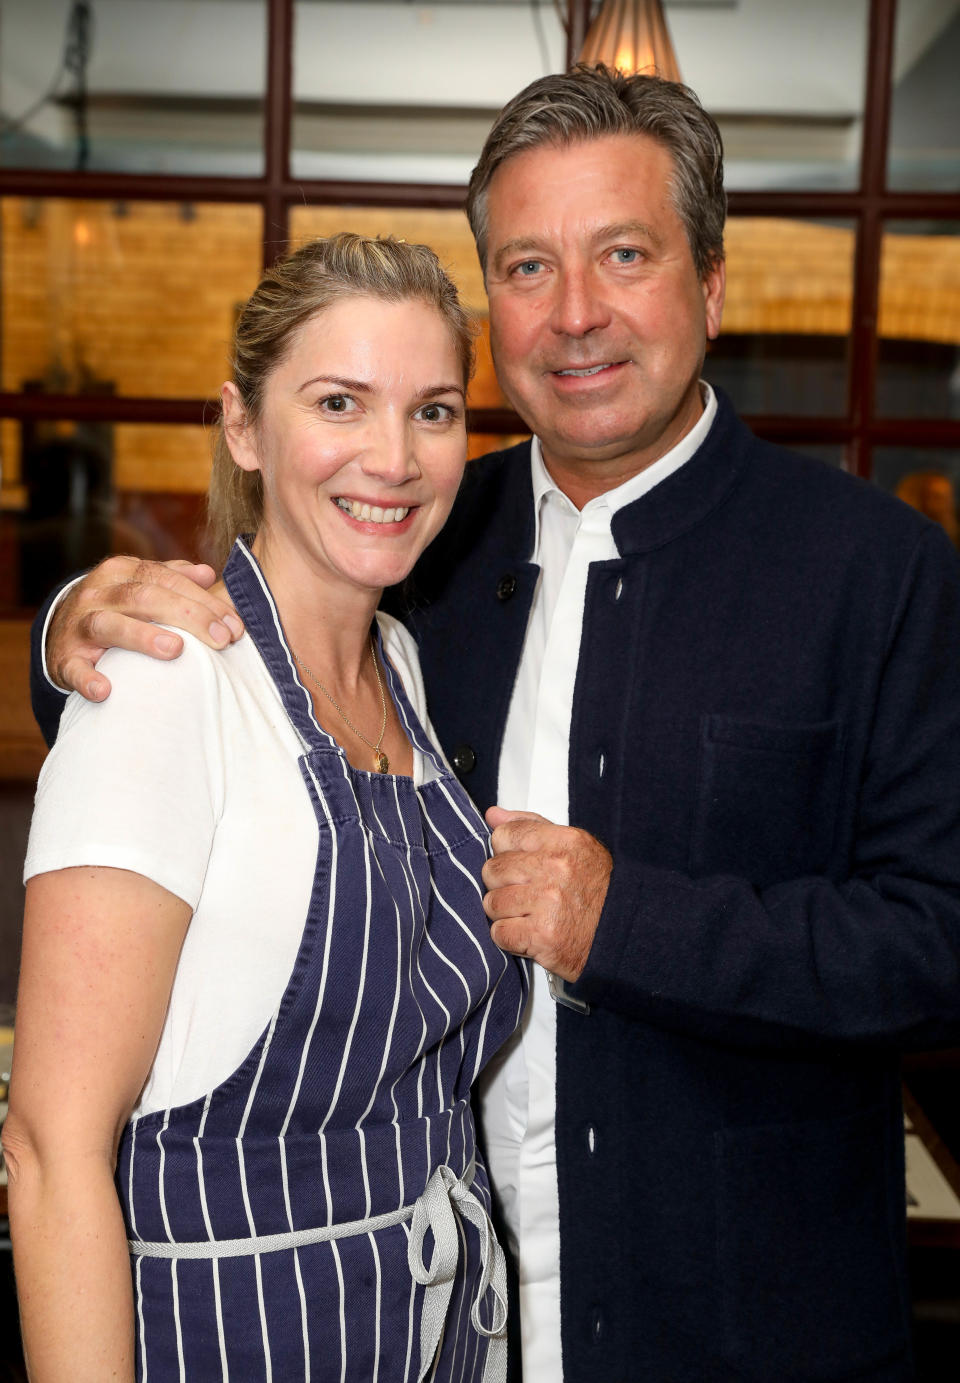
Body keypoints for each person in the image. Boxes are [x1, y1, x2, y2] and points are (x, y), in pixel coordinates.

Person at [27, 67, 960, 1383]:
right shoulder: (415, 530)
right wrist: (72, 625)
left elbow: (938, 935)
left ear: (713, 280)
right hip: (433, 1311)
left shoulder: (878, 568)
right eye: (528, 265)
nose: (576, 314)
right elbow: (216, 674)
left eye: (624, 254)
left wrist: (622, 921)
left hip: (746, 1320)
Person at [7, 233, 529, 1383]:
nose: (392, 457)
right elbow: (49, 1153)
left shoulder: (406, 665)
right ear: (243, 427)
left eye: (434, 411)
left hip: (437, 1338)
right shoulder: (164, 679)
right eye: (339, 401)